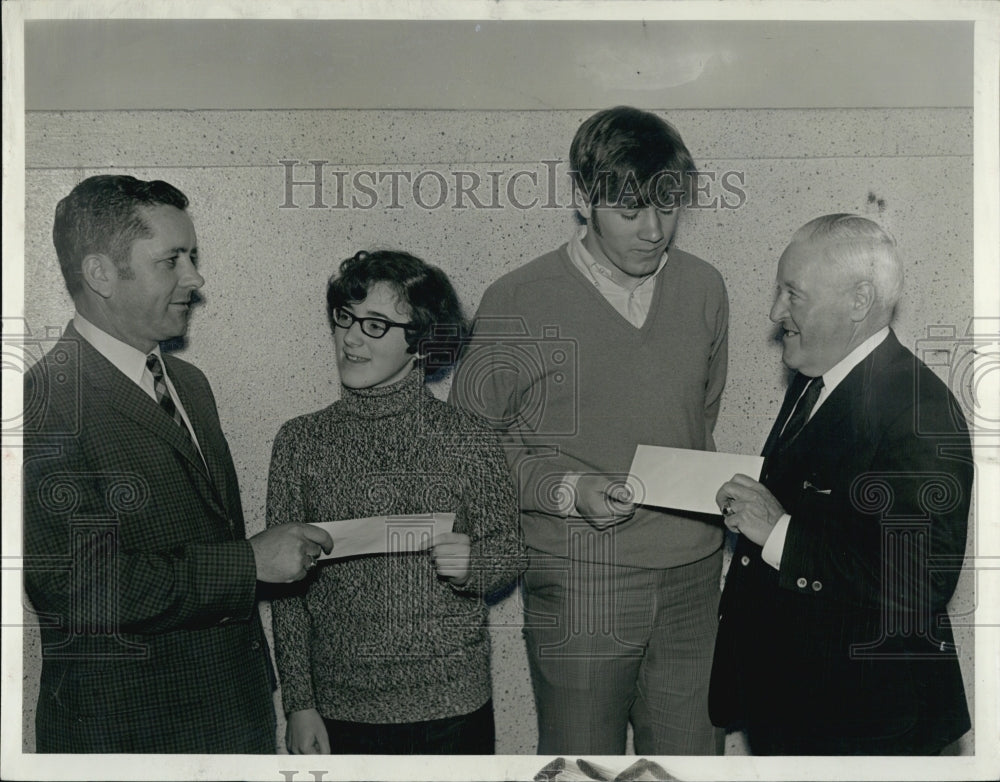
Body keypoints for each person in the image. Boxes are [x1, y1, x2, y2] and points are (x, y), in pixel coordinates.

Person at [450, 106, 729, 755]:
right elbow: (469, 444)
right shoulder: (518, 299)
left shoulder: (705, 288)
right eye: (630, 211)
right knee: (583, 766)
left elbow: (699, 416)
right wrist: (567, 488)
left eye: (667, 207)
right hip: (580, 581)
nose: (654, 230)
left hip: (694, 577)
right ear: (582, 199)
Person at [22, 174, 333, 753]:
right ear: (101, 274)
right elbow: (76, 587)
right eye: (172, 261)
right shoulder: (39, 405)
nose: (195, 279)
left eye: (193, 257)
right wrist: (249, 563)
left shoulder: (189, 383)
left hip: (234, 714)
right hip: (130, 736)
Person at [710, 214, 973, 755]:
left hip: (868, 726)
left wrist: (778, 532)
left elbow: (918, 585)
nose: (775, 312)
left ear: (859, 301)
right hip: (798, 707)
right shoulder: (815, 380)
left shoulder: (920, 409)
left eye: (793, 294)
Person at [267, 249, 526, 755]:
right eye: (345, 317)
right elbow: (287, 591)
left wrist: (475, 564)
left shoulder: (467, 438)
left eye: (376, 325)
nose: (351, 337)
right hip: (340, 709)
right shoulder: (299, 442)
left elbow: (510, 548)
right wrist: (299, 703)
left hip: (452, 706)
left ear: (422, 342)